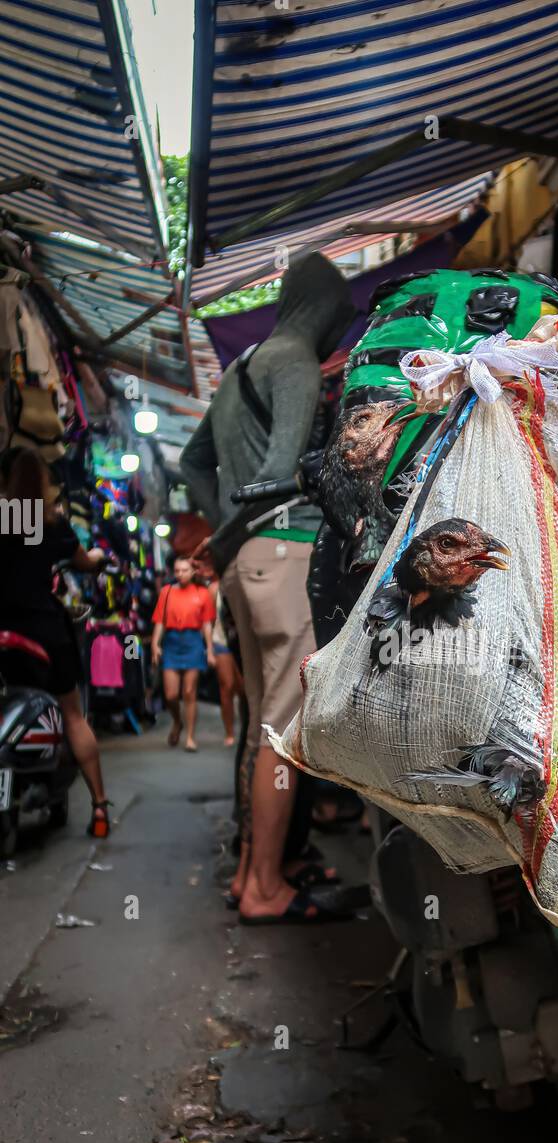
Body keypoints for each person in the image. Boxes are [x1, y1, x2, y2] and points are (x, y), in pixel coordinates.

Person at [181, 252, 355, 925]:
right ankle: (263, 889)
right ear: (322, 309)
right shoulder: (297, 363)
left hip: (244, 560)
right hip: (285, 555)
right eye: (340, 319)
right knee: (284, 731)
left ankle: (255, 872)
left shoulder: (238, 369)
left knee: (262, 723)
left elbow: (194, 462)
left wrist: (226, 517)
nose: (340, 334)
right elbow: (284, 470)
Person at [0, 446, 111, 837]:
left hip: (5, 629)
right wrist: (98, 557)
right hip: (45, 629)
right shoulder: (52, 520)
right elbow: (84, 561)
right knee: (73, 715)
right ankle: (99, 808)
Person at [150, 557, 216, 752]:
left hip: (193, 642)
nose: (180, 574)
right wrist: (155, 644)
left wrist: (210, 650)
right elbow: (159, 621)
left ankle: (190, 737)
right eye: (177, 570)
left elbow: (206, 625)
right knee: (170, 695)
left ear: (193, 571)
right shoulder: (167, 591)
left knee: (189, 692)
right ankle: (177, 722)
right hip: (171, 642)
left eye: (184, 570)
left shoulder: (202, 593)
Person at [208, 576, 242, 746]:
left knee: (244, 690)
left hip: (245, 643)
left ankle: (247, 728)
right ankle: (229, 732)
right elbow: (208, 621)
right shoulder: (215, 589)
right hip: (221, 641)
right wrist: (209, 649)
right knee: (226, 687)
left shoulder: (246, 582)